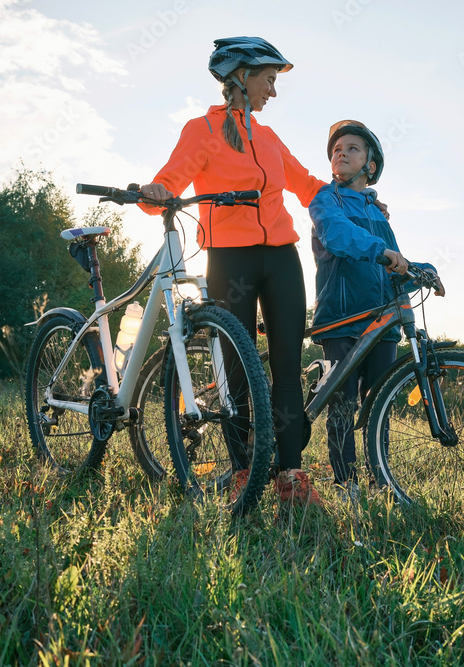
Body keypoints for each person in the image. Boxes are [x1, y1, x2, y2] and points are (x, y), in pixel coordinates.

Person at [140, 37, 330, 506]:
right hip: (230, 257)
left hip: (281, 258)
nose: (273, 91)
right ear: (241, 76)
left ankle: (291, 477)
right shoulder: (201, 130)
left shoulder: (267, 137)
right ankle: (245, 471)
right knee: (237, 372)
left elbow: (308, 185)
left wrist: (354, 197)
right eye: (269, 79)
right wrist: (153, 193)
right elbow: (169, 179)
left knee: (286, 366)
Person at [308, 120, 445, 499]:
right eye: (336, 149)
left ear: (371, 164)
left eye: (352, 148)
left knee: (378, 403)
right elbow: (338, 236)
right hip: (341, 317)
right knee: (342, 402)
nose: (340, 152)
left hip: (382, 321)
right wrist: (384, 253)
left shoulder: (378, 213)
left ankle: (379, 480)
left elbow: (395, 265)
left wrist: (424, 272)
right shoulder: (326, 199)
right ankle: (345, 483)